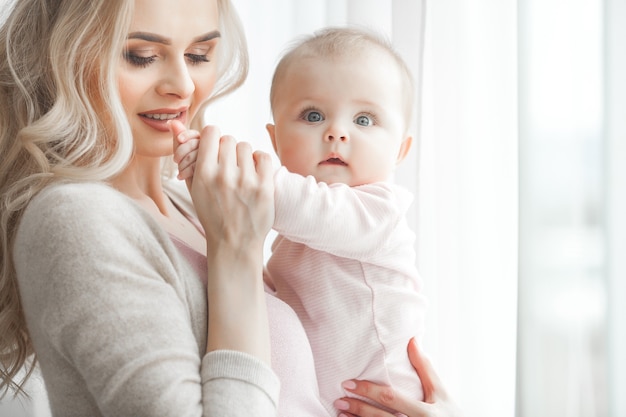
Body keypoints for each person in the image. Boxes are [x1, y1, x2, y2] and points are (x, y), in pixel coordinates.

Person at [0, 0, 459, 416]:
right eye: (141, 55)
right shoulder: (76, 218)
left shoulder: (194, 205)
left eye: (199, 55)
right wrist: (235, 251)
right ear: (61, 60)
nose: (182, 85)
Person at [174, 27, 428, 416]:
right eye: (313, 115)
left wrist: (229, 171)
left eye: (364, 119)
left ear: (400, 150)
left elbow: (309, 208)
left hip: (385, 397)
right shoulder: (296, 230)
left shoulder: (380, 212)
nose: (336, 132)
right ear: (275, 142)